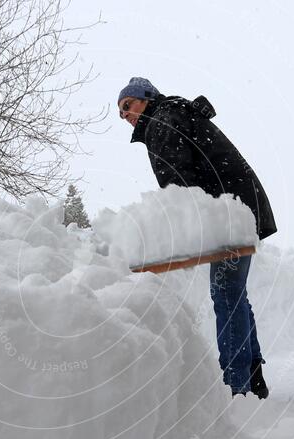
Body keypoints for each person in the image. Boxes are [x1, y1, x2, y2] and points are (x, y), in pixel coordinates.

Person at [117, 77, 277, 399]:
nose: (126, 116)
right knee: (234, 295)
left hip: (230, 214)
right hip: (237, 208)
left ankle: (237, 387)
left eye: (127, 106)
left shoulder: (162, 121)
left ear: (146, 97)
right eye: (121, 115)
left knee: (227, 296)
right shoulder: (172, 114)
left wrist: (172, 233)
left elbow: (178, 185)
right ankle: (252, 376)